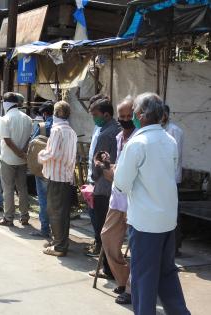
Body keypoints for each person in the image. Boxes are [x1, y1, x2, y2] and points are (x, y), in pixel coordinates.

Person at [114, 92, 191, 315]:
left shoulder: (138, 143)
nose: (133, 116)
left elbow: (122, 184)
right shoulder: (169, 140)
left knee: (143, 277)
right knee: (166, 273)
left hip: (146, 222)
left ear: (141, 115)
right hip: (167, 219)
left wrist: (111, 171)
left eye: (135, 112)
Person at [99, 96, 137, 305]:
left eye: (129, 116)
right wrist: (107, 166)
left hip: (135, 202)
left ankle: (131, 288)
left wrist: (113, 171)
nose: (125, 120)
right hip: (117, 198)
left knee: (136, 246)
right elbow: (117, 170)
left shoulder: (140, 139)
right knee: (107, 238)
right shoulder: (119, 137)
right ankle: (123, 278)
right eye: (121, 116)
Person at [38, 101, 78, 257]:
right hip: (66, 176)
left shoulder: (57, 130)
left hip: (56, 176)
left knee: (55, 212)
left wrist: (40, 155)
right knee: (62, 212)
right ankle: (59, 241)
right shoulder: (71, 131)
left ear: (55, 114)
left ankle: (59, 246)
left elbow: (51, 153)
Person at [87, 98, 121, 259]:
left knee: (103, 228)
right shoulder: (118, 130)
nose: (94, 118)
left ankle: (106, 266)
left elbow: (98, 163)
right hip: (116, 185)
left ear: (106, 115)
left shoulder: (106, 134)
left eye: (95, 115)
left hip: (103, 187)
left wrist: (93, 179)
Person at [0, 92, 33, 227]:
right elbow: (30, 138)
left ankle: (8, 217)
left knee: (8, 189)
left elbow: (8, 141)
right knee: (22, 189)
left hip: (8, 159)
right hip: (22, 160)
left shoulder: (5, 119)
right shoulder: (28, 118)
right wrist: (23, 153)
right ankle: (24, 217)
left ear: (6, 104)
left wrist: (18, 153)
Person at [162, 104, 185, 255]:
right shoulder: (160, 130)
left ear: (165, 115)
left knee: (172, 213)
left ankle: (175, 247)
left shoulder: (174, 131)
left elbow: (174, 157)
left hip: (171, 179)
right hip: (161, 179)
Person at [29, 101, 54, 238]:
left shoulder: (43, 126)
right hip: (58, 169)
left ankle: (45, 229)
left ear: (44, 114)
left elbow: (32, 144)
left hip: (42, 167)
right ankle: (58, 231)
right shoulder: (63, 127)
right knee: (56, 201)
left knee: (43, 199)